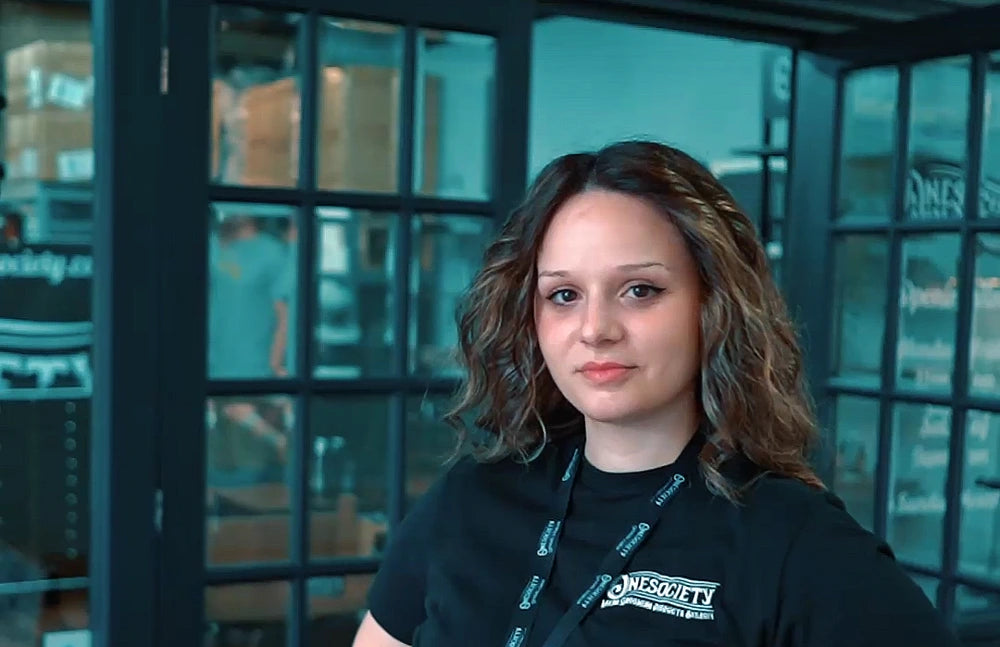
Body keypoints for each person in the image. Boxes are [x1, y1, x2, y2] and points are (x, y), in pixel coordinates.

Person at [352, 141, 962, 647]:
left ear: (713, 305)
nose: (596, 329)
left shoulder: (791, 541)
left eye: (639, 290)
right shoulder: (469, 502)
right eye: (563, 295)